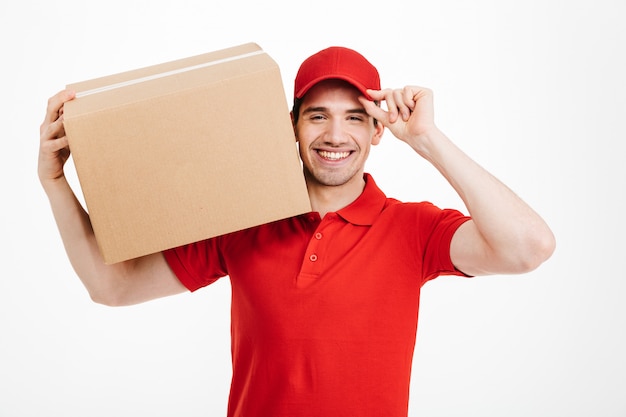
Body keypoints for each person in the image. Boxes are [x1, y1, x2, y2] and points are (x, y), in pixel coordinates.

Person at [39, 46, 556, 417]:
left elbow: (529, 247)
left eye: (355, 117)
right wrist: (55, 181)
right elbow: (112, 286)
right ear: (291, 125)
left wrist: (428, 139)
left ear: (378, 130)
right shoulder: (241, 222)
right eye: (317, 116)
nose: (335, 135)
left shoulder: (414, 228)